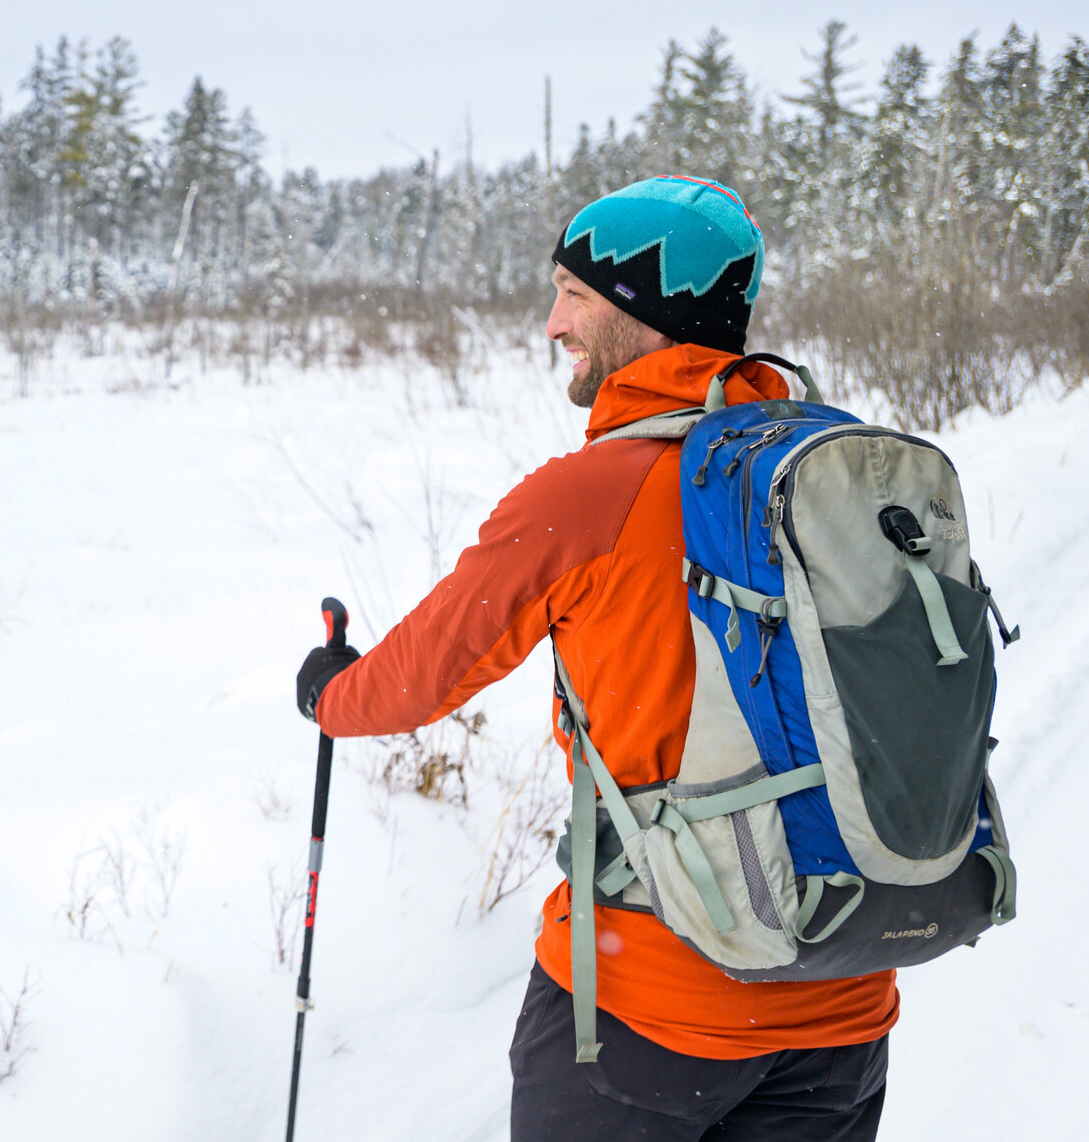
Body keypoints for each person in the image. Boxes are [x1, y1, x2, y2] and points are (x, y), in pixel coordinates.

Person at [295, 176, 892, 1140]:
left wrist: (330, 695)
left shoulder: (589, 496)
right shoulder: (835, 468)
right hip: (844, 996)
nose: (550, 322)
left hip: (648, 1014)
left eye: (573, 294)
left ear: (643, 309)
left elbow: (418, 680)